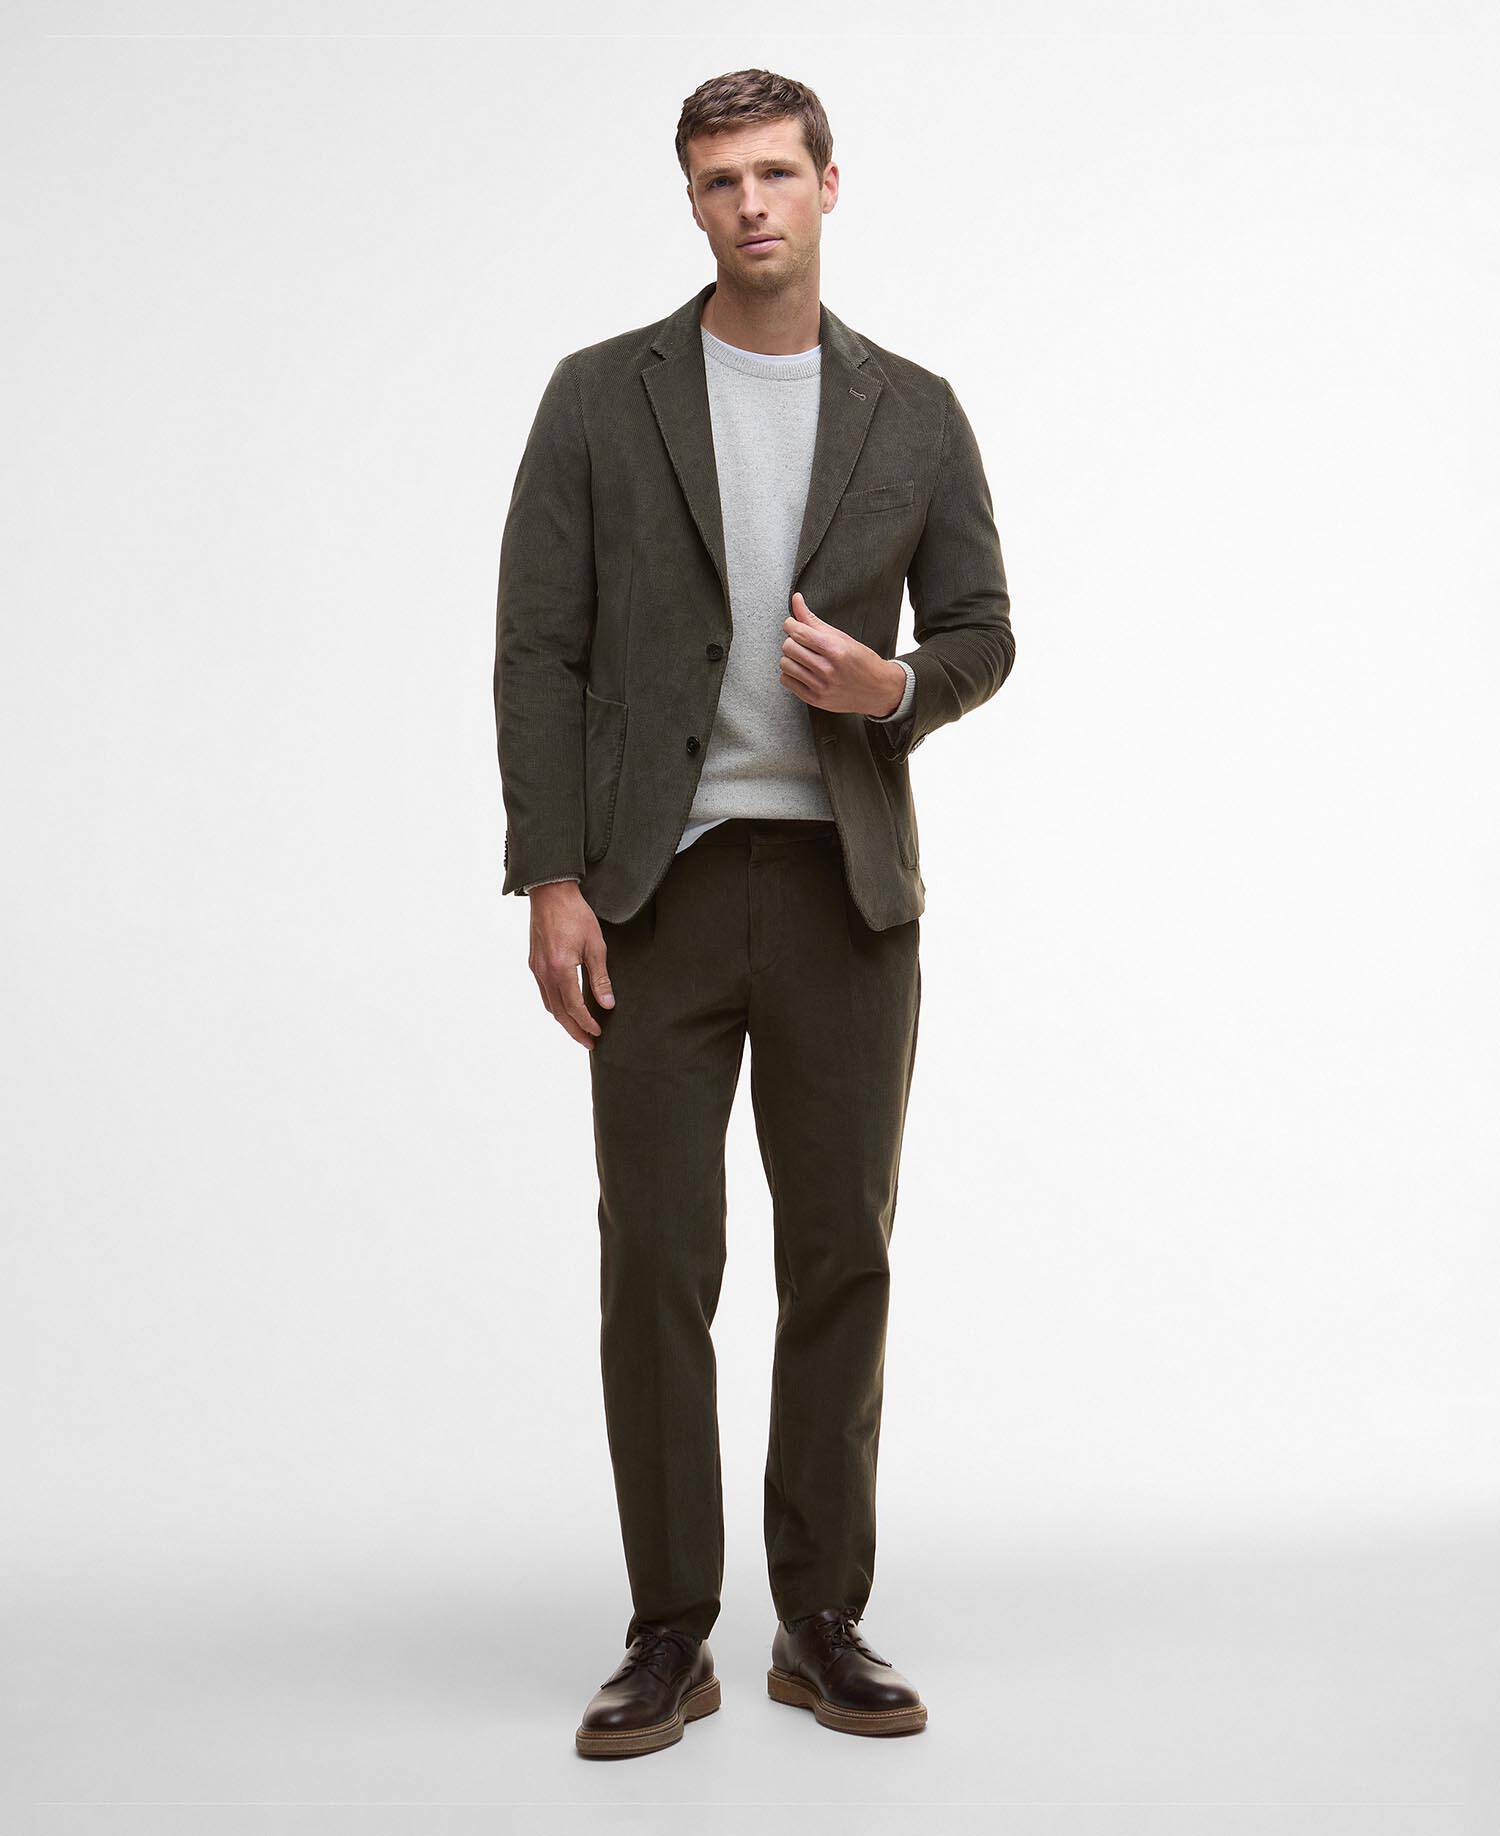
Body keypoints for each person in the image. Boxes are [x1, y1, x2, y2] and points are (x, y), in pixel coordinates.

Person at [494, 67, 1015, 1759]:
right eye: (720, 180)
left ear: (829, 184)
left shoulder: (914, 410)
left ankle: (819, 1621)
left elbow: (985, 629)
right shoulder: (601, 396)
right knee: (657, 1255)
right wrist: (552, 876)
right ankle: (669, 1630)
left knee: (840, 1250)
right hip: (654, 887)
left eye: (777, 173)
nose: (751, 204)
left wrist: (893, 688)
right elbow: (538, 650)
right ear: (693, 200)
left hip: (847, 895)